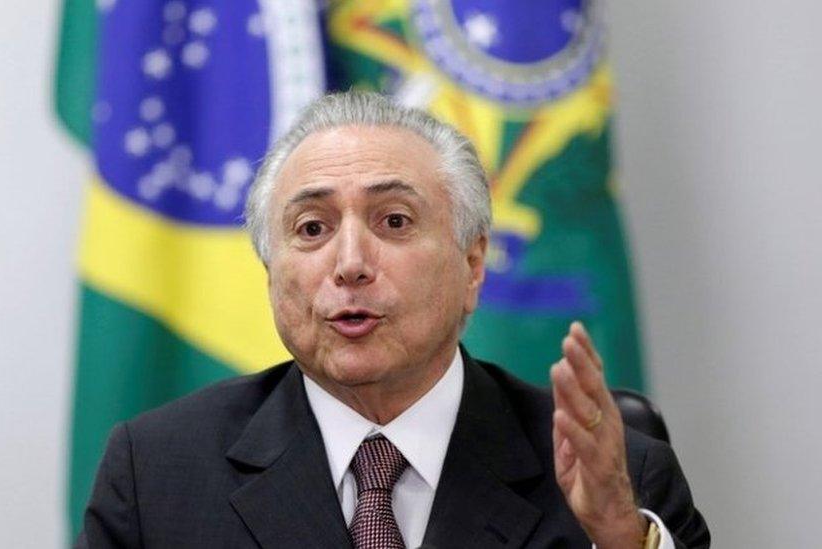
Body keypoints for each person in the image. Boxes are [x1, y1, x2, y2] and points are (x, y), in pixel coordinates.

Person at [75, 92, 709, 548]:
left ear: (473, 262)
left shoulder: (625, 479)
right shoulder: (157, 472)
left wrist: (621, 541)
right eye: (312, 229)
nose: (349, 264)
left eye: (395, 222)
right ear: (270, 274)